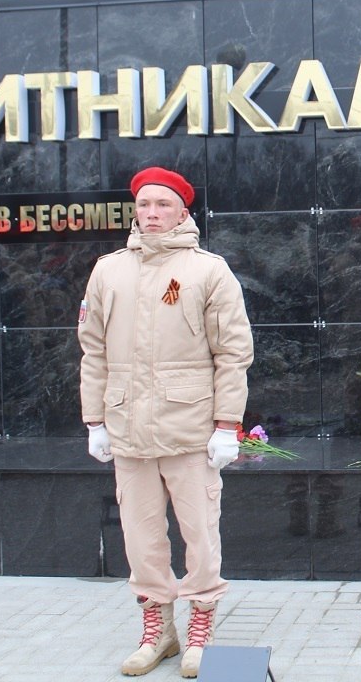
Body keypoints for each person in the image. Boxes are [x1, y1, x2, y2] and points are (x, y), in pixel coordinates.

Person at [79, 166, 254, 678]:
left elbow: (233, 352)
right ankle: (159, 628)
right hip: (127, 426)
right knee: (141, 536)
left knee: (199, 532)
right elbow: (92, 351)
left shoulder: (209, 271)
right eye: (145, 204)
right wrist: (95, 421)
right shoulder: (108, 270)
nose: (152, 214)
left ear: (183, 211)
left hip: (189, 427)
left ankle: (201, 623)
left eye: (164, 205)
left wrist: (227, 425)